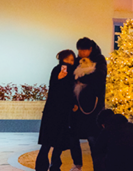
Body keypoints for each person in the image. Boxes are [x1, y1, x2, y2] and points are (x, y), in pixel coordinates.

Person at [36, 49, 83, 171]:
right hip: (58, 113)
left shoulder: (64, 71)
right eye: (68, 59)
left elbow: (64, 91)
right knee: (53, 142)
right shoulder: (60, 70)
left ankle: (48, 166)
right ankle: (49, 166)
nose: (70, 62)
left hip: (57, 112)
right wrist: (59, 78)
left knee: (52, 142)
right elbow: (63, 90)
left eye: (72, 60)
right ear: (63, 59)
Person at [72, 37, 107, 171]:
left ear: (90, 49)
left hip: (94, 105)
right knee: (74, 136)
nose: (81, 53)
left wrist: (81, 78)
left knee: (93, 138)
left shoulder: (99, 60)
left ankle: (98, 167)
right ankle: (77, 165)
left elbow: (99, 77)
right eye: (79, 50)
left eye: (84, 50)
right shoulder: (77, 61)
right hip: (77, 106)